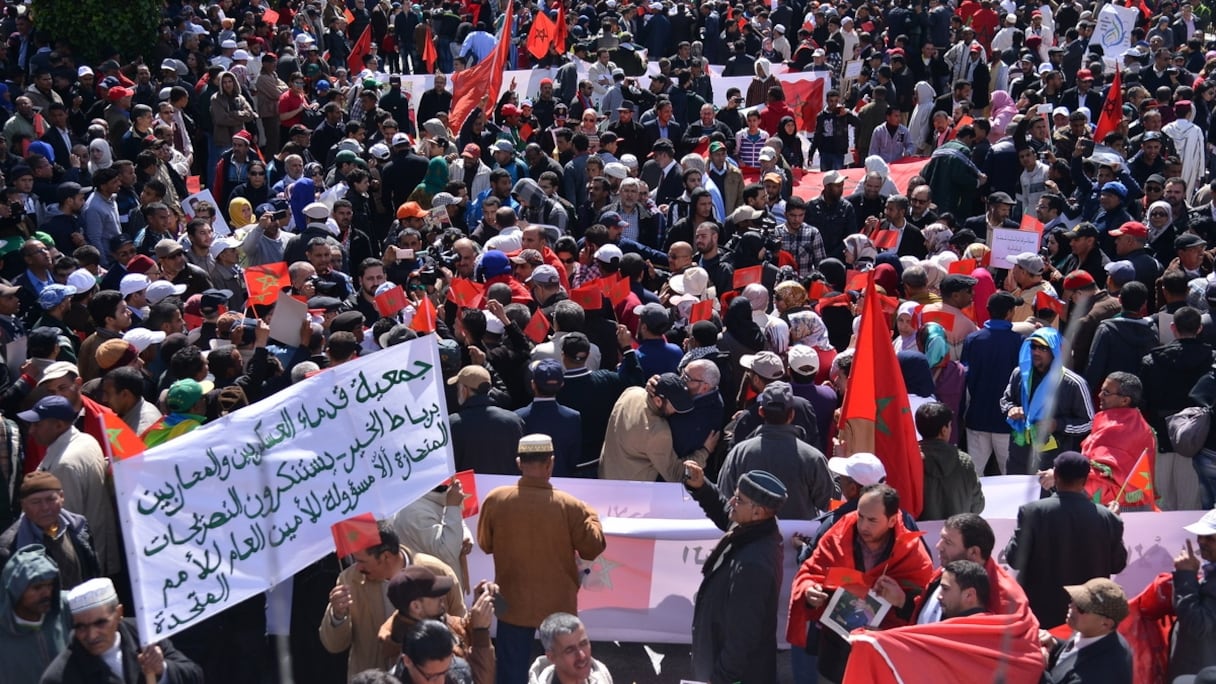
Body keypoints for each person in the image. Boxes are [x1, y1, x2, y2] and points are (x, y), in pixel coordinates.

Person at [477, 434, 606, 684]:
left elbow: (485, 544)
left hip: (510, 603)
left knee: (511, 673)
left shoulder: (495, 499)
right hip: (559, 604)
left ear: (518, 463)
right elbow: (592, 548)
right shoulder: (570, 505)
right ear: (551, 463)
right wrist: (591, 515)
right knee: (566, 670)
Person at [788, 484, 934, 684]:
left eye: (872, 520)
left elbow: (927, 606)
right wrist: (809, 590)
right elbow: (810, 571)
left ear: (892, 520)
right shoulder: (839, 534)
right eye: (861, 516)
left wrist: (902, 600)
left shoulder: (911, 552)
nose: (863, 526)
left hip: (883, 653)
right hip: (836, 650)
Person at [320, 521, 465, 680]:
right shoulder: (349, 581)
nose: (358, 568)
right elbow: (334, 645)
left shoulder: (437, 572)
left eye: (362, 561)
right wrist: (338, 615)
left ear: (386, 556)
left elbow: (461, 631)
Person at [685, 463, 786, 684]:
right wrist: (702, 486)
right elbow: (725, 513)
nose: (732, 501)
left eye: (739, 500)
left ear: (758, 511)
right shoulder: (754, 528)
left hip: (737, 675)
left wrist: (719, 679)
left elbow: (742, 637)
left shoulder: (755, 563)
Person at [1004, 451, 1128, 628]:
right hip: (1088, 618)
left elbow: (1014, 559)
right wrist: (1112, 521)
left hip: (1041, 617)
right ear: (1085, 481)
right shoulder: (1107, 518)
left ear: (1056, 476)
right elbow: (1118, 564)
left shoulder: (1032, 512)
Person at [41, 577, 203, 684]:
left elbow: (195, 676)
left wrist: (163, 670)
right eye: (81, 627)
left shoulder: (145, 635)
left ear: (119, 613)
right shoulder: (59, 677)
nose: (91, 635)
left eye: (100, 623)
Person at [716, 381, 836, 520]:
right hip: (798, 538)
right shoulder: (813, 457)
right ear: (792, 414)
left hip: (751, 538)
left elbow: (724, 497)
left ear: (761, 412)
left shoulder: (739, 453)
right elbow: (829, 503)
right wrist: (837, 471)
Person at [599, 373, 710, 482]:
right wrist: (705, 451)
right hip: (631, 493)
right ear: (658, 401)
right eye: (675, 407)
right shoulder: (657, 432)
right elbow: (676, 474)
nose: (676, 412)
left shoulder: (631, 392)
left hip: (605, 477)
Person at [0, 472, 100, 589]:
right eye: (36, 502)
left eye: (50, 499)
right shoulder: (9, 546)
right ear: (23, 505)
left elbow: (93, 572)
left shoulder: (79, 527)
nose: (45, 508)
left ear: (61, 497)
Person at [0, 543, 72, 682]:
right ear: (16, 590)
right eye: (37, 587)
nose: (47, 593)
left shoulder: (67, 608)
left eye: (50, 585)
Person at [1040, 578, 1133, 684]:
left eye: (1081, 608)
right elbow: (1074, 651)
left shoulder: (1099, 674)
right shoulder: (1091, 631)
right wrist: (1055, 644)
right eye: (1073, 600)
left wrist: (1038, 669)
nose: (1071, 607)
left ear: (1106, 623)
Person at [447, 365, 525, 475]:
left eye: (458, 387)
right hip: (505, 490)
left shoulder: (453, 423)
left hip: (468, 491)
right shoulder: (514, 421)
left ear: (465, 390)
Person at [916, 401, 984, 520]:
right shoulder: (964, 462)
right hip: (957, 533)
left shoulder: (911, 461)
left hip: (920, 535)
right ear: (944, 430)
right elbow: (978, 505)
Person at [1169, 509, 1216, 679]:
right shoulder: (1211, 571)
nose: (1201, 541)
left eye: (1210, 538)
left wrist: (1186, 576)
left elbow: (1198, 625)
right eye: (1200, 535)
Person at [528, 613, 613, 684]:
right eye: (570, 650)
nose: (582, 656)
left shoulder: (602, 675)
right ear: (552, 657)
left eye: (584, 644)